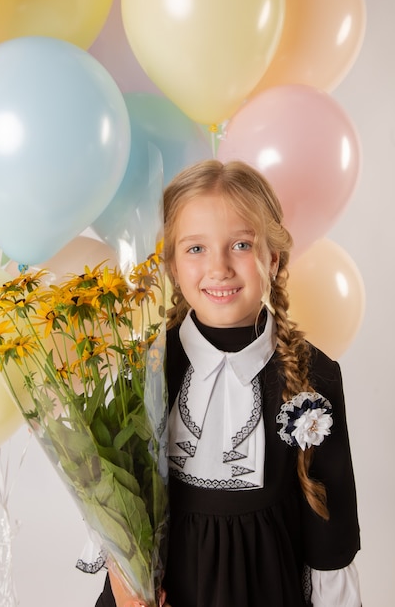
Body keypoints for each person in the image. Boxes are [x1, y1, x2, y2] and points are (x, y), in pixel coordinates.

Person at [95, 159, 361, 607]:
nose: (218, 268)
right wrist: (125, 586)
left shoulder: (313, 377)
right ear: (172, 265)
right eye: (195, 248)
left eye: (240, 244)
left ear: (272, 260)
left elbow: (330, 535)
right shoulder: (145, 369)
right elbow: (113, 498)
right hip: (159, 593)